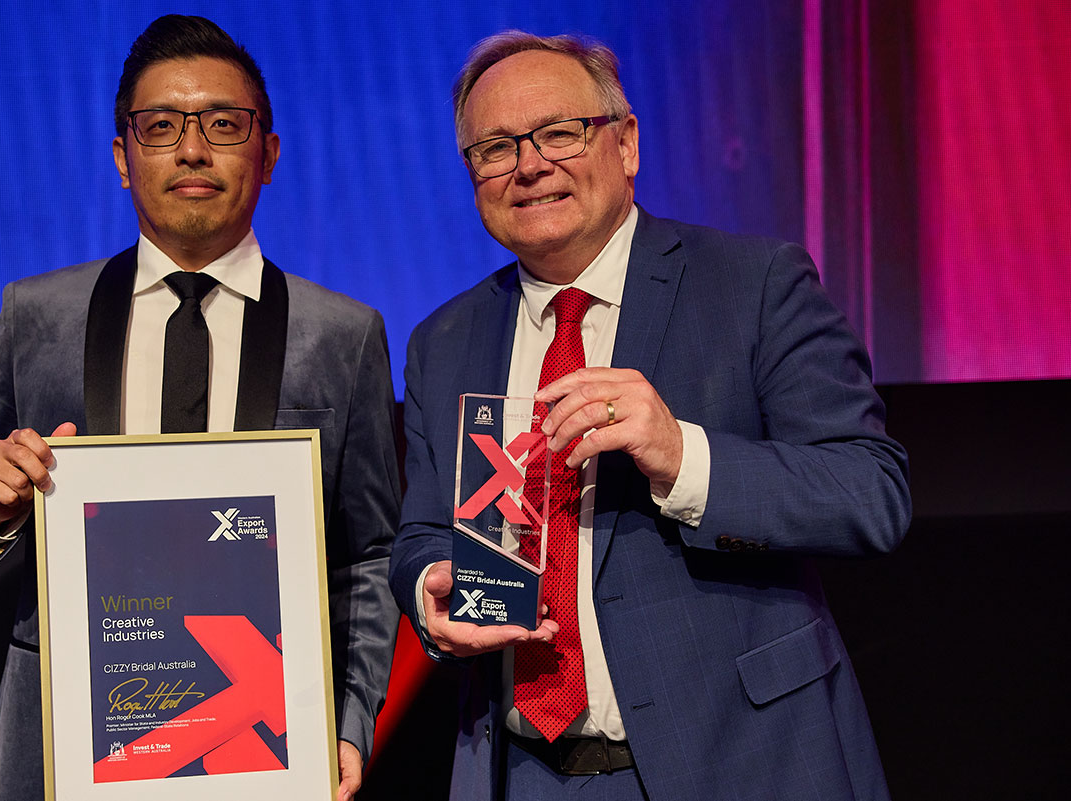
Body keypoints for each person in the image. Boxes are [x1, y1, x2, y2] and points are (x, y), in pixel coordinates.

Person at [388, 30, 910, 801]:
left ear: (625, 143)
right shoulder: (445, 339)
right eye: (496, 147)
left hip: (741, 762)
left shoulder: (754, 283)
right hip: (524, 772)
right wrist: (432, 584)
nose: (529, 164)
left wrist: (682, 454)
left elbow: (872, 493)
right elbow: (422, 532)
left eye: (559, 133)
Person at [0, 15, 399, 801]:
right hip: (64, 741)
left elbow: (373, 556)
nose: (193, 149)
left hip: (265, 735)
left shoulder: (342, 336)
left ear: (268, 153)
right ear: (123, 157)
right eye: (161, 126)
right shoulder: (40, 315)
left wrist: (347, 721)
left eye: (224, 125)